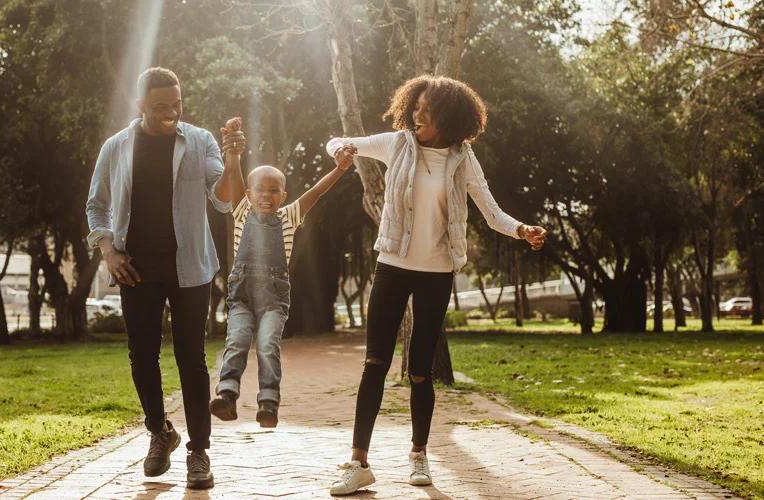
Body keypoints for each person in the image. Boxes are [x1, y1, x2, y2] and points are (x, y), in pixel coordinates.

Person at [324, 75, 547, 496]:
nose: (416, 114)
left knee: (421, 371)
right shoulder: (397, 144)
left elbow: (492, 212)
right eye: (416, 106)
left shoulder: (463, 160)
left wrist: (522, 230)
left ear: (449, 117)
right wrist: (342, 150)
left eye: (427, 110)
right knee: (374, 365)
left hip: (436, 273)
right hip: (392, 265)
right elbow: (338, 140)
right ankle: (358, 463)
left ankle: (419, 456)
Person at [86, 67, 242, 490]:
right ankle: (160, 432)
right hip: (136, 268)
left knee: (191, 358)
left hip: (190, 266)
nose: (171, 112)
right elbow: (95, 206)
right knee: (142, 356)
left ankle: (198, 452)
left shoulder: (200, 141)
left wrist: (232, 161)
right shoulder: (116, 147)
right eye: (160, 107)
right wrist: (108, 251)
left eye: (177, 104)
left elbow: (224, 201)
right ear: (140, 107)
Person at [209, 117, 354, 428]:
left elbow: (316, 192)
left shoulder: (290, 216)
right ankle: (227, 395)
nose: (266, 196)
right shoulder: (242, 210)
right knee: (236, 340)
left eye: (274, 190)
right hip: (242, 298)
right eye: (259, 190)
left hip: (274, 300)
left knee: (267, 345)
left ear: (283, 196)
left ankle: (268, 403)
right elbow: (233, 173)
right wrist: (233, 143)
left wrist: (339, 170)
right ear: (248, 193)